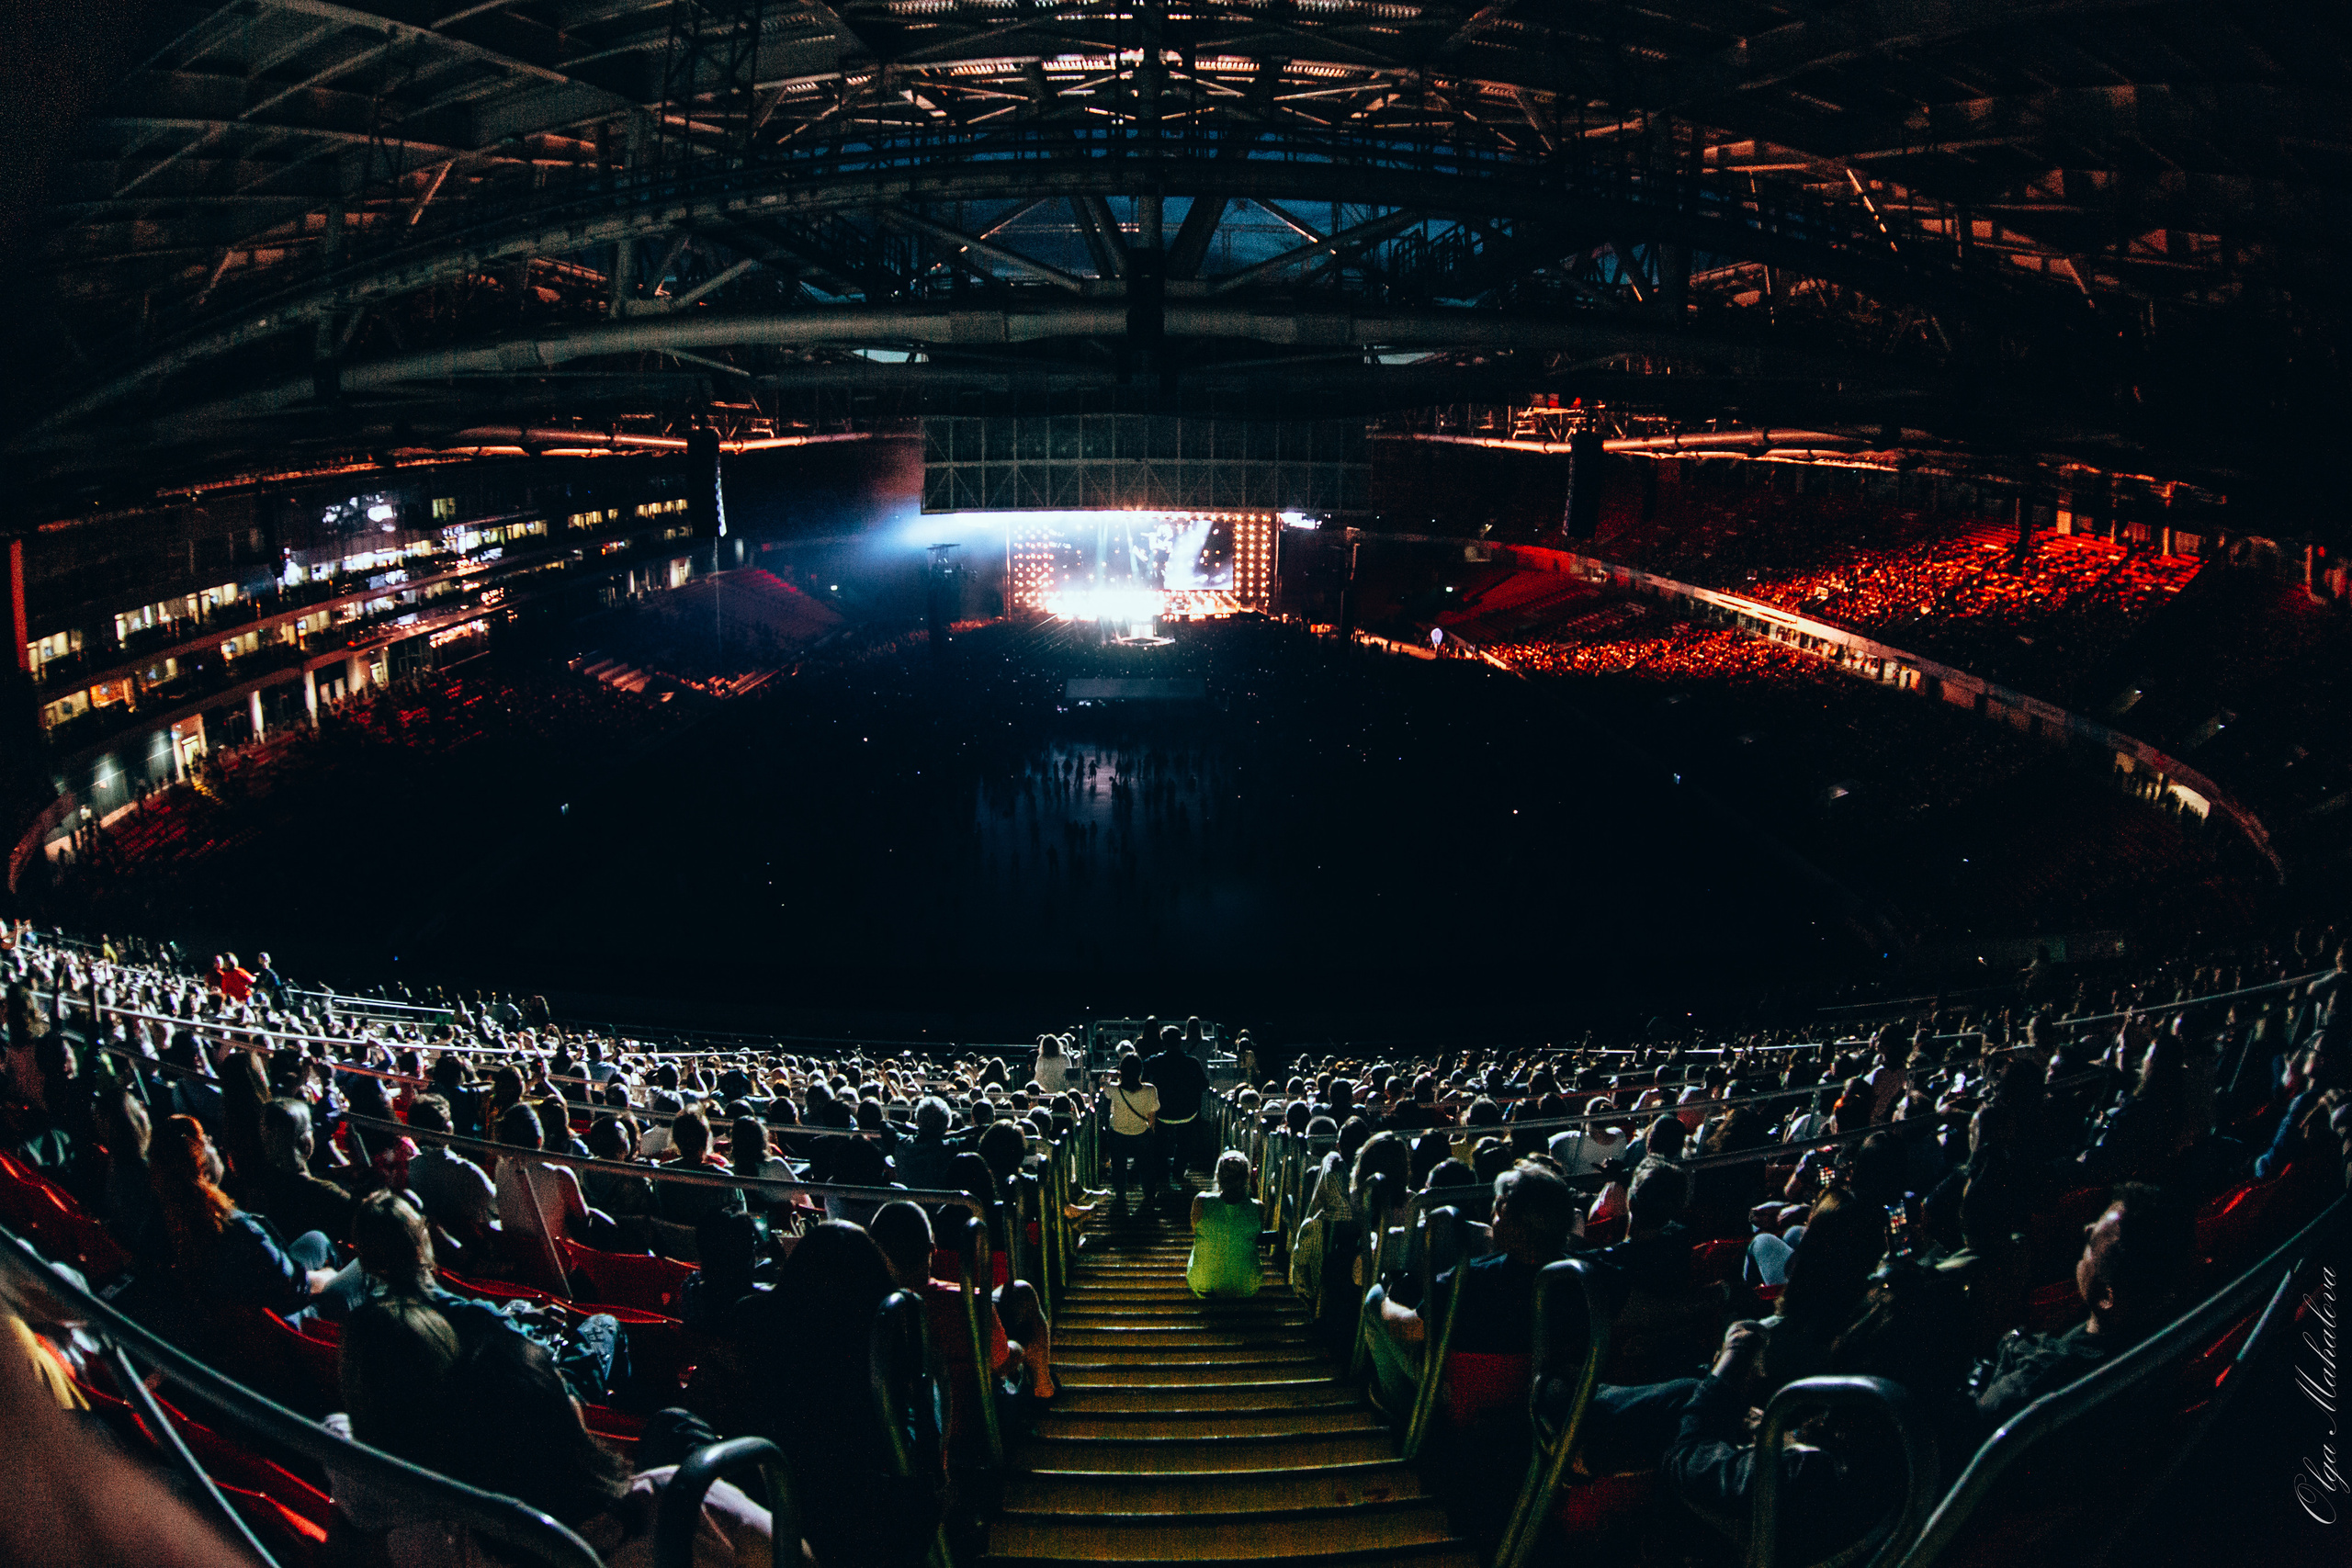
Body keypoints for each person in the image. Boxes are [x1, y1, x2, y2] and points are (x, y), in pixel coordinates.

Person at [431, 1330, 775, 1568]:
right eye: (562, 1386)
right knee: (675, 1426)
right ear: (564, 1418)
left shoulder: (447, 1544)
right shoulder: (683, 1496)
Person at [1973, 1182, 2192, 1426]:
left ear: (2107, 1298)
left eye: (2092, 1244)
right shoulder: (2173, 1338)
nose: (2087, 1229)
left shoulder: (2040, 1381)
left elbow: (1972, 1423)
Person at [147, 1113, 356, 1318]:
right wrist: (327, 1277)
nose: (213, 1141)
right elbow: (295, 1288)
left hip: (252, 1301)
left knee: (316, 1239)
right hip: (287, 1319)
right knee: (362, 1270)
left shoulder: (173, 1219)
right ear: (200, 1167)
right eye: (206, 1141)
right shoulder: (241, 1229)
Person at [492, 1103, 592, 1292]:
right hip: (554, 1269)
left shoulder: (501, 1166)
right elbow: (583, 1221)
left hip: (516, 1263)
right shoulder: (560, 1175)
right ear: (540, 1140)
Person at [251, 1098, 360, 1245]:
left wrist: (333, 1173)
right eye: (310, 1129)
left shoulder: (257, 1183)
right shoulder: (326, 1195)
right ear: (306, 1143)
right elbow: (365, 1229)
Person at [1186, 1151, 1264, 1299]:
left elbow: (1194, 1229)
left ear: (1218, 1176)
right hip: (1246, 1287)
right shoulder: (1257, 1207)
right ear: (1247, 1177)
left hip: (1203, 1284)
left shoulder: (1201, 1201)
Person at [1144, 1027, 1212, 1183]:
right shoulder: (1192, 1062)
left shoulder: (1154, 1061)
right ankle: (1178, 1171)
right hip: (1187, 1113)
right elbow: (1203, 1086)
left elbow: (1144, 1079)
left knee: (1160, 1142)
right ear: (1180, 1041)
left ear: (1163, 1042)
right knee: (1184, 1142)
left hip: (1162, 1113)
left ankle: (1162, 1173)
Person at [1101, 1052, 1160, 1219]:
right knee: (1146, 1167)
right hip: (1141, 1133)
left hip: (1118, 1133)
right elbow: (1152, 1116)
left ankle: (1120, 1195)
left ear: (1122, 1071)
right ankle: (1149, 1195)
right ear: (1140, 1071)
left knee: (1119, 1167)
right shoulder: (1150, 1090)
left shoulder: (1114, 1090)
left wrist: (1106, 1078)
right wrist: (1151, 1133)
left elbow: (1103, 1088)